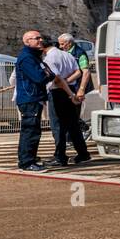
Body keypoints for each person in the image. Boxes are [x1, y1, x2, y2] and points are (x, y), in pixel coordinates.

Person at [40, 36, 91, 166]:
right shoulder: (66, 55)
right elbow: (78, 72)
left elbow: (56, 79)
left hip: (58, 92)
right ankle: (83, 153)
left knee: (57, 126)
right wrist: (68, 84)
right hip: (70, 88)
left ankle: (60, 156)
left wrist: (64, 85)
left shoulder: (49, 58)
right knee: (73, 124)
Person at [14, 29, 52, 172]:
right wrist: (46, 74)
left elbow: (51, 74)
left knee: (33, 130)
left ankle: (30, 158)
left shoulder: (34, 56)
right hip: (29, 98)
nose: (40, 40)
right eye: (36, 38)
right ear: (27, 41)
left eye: (40, 38)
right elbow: (40, 77)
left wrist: (47, 74)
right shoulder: (27, 58)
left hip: (34, 97)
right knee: (30, 131)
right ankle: (26, 162)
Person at [58, 34, 93, 138]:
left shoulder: (79, 53)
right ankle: (82, 129)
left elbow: (85, 72)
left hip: (77, 87)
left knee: (73, 112)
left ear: (69, 43)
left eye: (62, 44)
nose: (60, 46)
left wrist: (81, 89)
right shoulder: (64, 52)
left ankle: (77, 133)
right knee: (69, 112)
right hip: (68, 86)